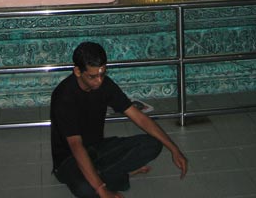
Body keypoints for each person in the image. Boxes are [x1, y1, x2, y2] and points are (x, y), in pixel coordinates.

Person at [51, 41, 187, 197]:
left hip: (97, 149)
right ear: (77, 71)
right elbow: (76, 146)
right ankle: (110, 176)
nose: (99, 81)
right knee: (86, 190)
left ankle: (104, 174)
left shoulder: (105, 85)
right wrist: (102, 190)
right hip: (68, 159)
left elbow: (139, 117)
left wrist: (174, 149)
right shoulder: (64, 96)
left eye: (103, 74)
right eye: (93, 76)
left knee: (153, 144)